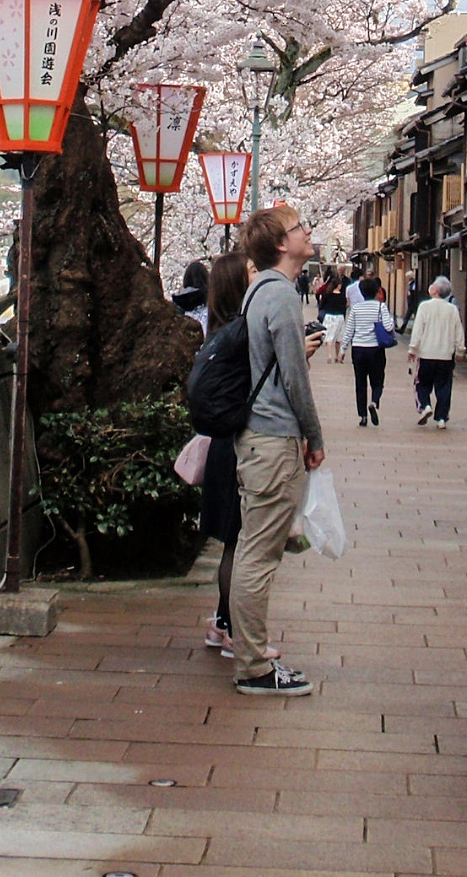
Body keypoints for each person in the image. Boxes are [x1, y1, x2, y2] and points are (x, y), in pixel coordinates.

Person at [229, 203, 325, 697]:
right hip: (273, 438)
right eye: (298, 227)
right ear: (283, 245)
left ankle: (251, 649)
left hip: (256, 435)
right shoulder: (283, 296)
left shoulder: (257, 292)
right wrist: (315, 435)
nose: (308, 231)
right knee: (260, 553)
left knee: (254, 547)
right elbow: (293, 376)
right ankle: (252, 665)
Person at [192, 253, 266, 660]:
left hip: (221, 443)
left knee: (233, 542)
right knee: (239, 542)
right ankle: (233, 631)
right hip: (237, 445)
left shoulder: (219, 331)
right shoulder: (243, 332)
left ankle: (222, 624)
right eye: (252, 272)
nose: (260, 275)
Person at [406, 275, 464, 427]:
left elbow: (418, 330)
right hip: (446, 355)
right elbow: (459, 331)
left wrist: (412, 349)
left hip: (426, 354)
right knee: (444, 387)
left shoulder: (424, 307)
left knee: (421, 384)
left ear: (435, 290)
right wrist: (460, 350)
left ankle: (425, 406)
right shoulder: (452, 310)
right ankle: (442, 418)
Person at [341, 276, 395, 428]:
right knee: (377, 380)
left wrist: (343, 349)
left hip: (358, 348)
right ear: (377, 291)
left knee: (360, 382)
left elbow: (349, 329)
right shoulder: (380, 307)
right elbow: (389, 327)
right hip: (376, 349)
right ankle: (374, 402)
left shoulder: (356, 309)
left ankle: (363, 416)